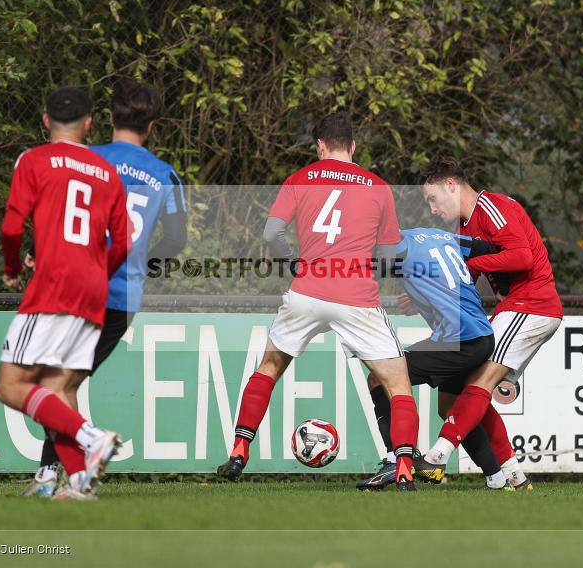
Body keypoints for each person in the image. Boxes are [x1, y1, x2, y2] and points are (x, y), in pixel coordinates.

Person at [216, 111, 420, 491]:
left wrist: (296, 265)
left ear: (320, 146)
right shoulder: (377, 186)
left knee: (270, 366)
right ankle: (405, 467)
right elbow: (392, 253)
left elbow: (272, 232)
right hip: (356, 294)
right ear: (353, 146)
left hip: (307, 289)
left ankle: (240, 450)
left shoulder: (299, 179)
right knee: (398, 385)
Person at [22, 79, 188, 496]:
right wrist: (140, 266)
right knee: (64, 383)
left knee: (54, 383)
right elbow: (175, 240)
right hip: (121, 298)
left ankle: (61, 470)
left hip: (75, 287)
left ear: (108, 119)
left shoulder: (86, 160)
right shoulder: (165, 174)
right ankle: (63, 476)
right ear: (151, 125)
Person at [0, 86, 131, 501]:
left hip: (52, 285)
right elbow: (123, 243)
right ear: (89, 123)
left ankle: (92, 438)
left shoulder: (33, 160)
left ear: (44, 120)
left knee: (10, 386)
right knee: (57, 389)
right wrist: (94, 274)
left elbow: (11, 227)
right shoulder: (106, 170)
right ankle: (79, 481)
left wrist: (13, 268)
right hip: (93, 290)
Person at [411, 156, 562, 489]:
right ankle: (512, 476)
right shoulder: (465, 229)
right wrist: (424, 295)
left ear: (451, 185)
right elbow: (465, 277)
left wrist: (473, 262)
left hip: (532, 304)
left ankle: (437, 456)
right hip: (517, 308)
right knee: (452, 400)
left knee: (479, 381)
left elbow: (521, 256)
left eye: (432, 199)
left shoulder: (490, 206)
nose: (432, 208)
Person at [358, 226, 519, 491]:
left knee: (379, 378)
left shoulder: (399, 247)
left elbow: (369, 270)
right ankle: (496, 477)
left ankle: (394, 460)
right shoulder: (438, 235)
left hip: (459, 341)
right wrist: (502, 288)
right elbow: (489, 249)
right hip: (479, 336)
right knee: (449, 407)